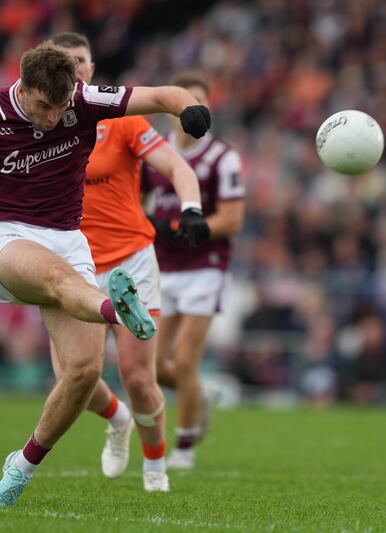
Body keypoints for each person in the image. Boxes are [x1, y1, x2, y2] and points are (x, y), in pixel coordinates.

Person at [0, 41, 211, 506]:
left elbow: (163, 94)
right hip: (6, 234)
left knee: (83, 372)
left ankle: (21, 467)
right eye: (43, 107)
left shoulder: (84, 101)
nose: (52, 117)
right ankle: (114, 307)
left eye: (60, 107)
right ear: (24, 87)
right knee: (56, 279)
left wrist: (191, 109)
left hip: (69, 238)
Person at [50, 32, 209, 492]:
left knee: (138, 377)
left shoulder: (119, 119)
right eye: (64, 61)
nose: (74, 68)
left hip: (129, 260)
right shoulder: (39, 120)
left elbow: (177, 166)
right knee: (73, 379)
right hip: (70, 263)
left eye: (80, 60)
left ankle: (156, 465)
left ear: (92, 68)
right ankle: (118, 420)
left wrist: (191, 209)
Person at [143, 71, 245, 470]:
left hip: (206, 266)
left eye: (198, 103)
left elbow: (233, 220)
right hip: (162, 267)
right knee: (150, 363)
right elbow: (138, 202)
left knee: (184, 358)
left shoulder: (223, 157)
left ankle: (184, 448)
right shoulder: (153, 152)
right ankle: (200, 395)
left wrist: (183, 227)